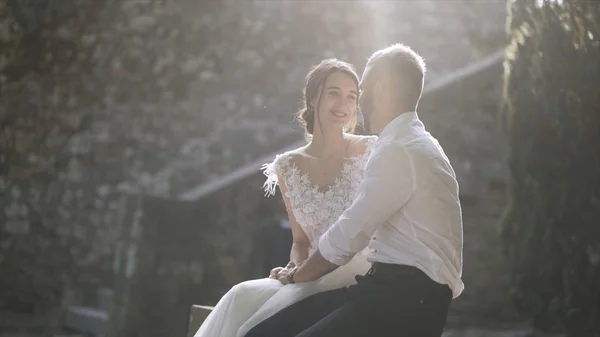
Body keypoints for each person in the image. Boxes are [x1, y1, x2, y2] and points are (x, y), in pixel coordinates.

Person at [245, 43, 464, 337]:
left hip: (406, 301)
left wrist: (297, 275)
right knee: (264, 332)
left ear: (382, 89)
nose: (358, 103)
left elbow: (350, 232)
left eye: (362, 90)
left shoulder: (399, 148)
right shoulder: (411, 140)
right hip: (385, 289)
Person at [193, 58, 378, 337]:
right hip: (310, 272)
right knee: (240, 295)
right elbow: (301, 240)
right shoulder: (287, 166)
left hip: (356, 270)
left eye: (351, 96)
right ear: (314, 98)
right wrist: (295, 266)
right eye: (334, 93)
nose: (343, 104)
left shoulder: (372, 150)